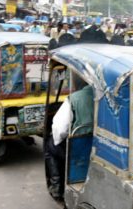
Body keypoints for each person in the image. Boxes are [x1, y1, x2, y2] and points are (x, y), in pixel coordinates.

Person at [45, 72, 94, 200]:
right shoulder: (103, 96)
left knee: (51, 147)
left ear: (77, 82)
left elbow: (59, 129)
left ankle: (57, 187)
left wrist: (57, 140)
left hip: (79, 146)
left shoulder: (74, 98)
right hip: (97, 144)